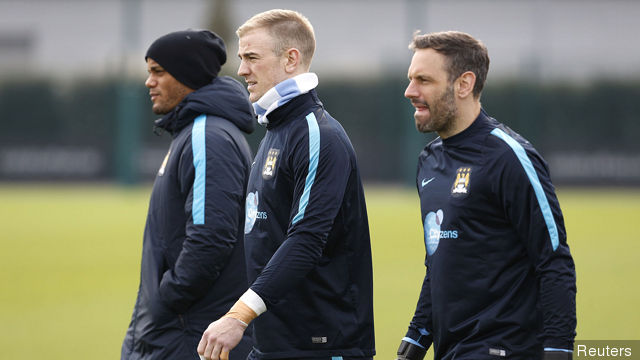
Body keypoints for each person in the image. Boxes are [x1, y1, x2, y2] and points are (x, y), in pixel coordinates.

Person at [197, 9, 375, 360]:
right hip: (274, 344)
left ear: (291, 59)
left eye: (251, 57)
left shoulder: (317, 134)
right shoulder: (276, 132)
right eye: (241, 58)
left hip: (321, 347)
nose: (242, 69)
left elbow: (306, 240)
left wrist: (237, 316)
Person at [396, 31, 577, 360]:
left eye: (424, 80)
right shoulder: (429, 161)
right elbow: (439, 262)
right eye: (411, 79)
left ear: (464, 84)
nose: (410, 91)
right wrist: (417, 337)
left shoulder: (510, 157)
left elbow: (554, 261)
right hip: (452, 350)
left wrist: (558, 349)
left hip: (504, 349)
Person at [121, 29, 255, 360]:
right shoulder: (195, 132)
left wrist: (166, 299)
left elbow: (210, 237)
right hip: (183, 328)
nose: (149, 82)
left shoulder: (206, 136)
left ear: (187, 75)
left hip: (191, 333)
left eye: (158, 72)